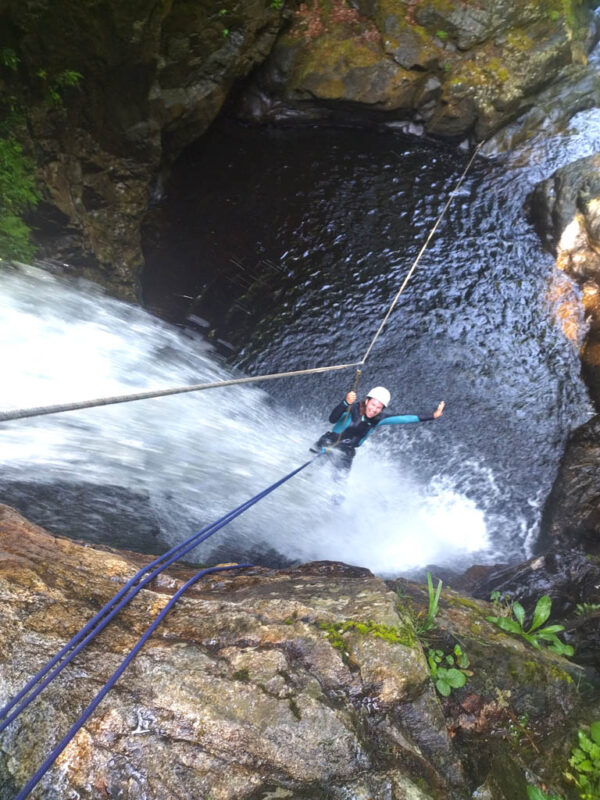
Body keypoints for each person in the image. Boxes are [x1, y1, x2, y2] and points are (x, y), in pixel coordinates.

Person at [311, 386, 445, 473]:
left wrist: (432, 416)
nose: (374, 409)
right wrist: (345, 402)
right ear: (367, 401)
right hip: (329, 442)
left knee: (338, 485)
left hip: (347, 451)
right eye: (373, 404)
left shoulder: (379, 419)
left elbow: (405, 418)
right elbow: (332, 419)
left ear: (382, 409)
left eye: (378, 407)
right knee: (311, 469)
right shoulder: (352, 408)